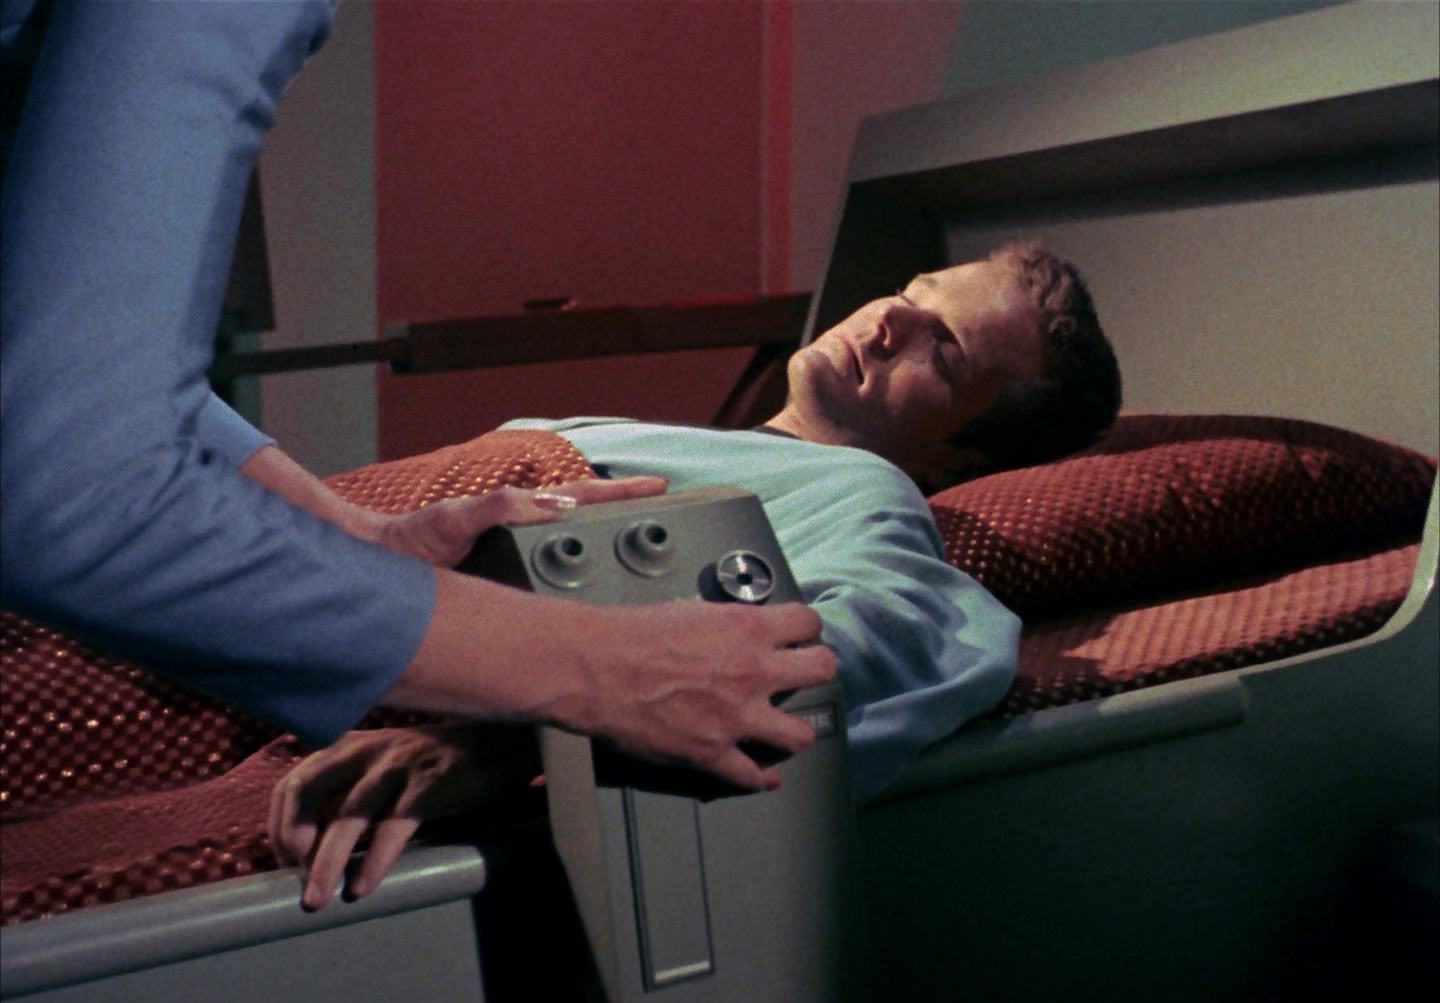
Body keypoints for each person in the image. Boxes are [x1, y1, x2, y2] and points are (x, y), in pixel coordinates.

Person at [0, 0, 834, 843]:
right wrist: (596, 670)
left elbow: (54, 368)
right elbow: (74, 479)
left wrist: (356, 537)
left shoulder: (863, 493)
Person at [270, 241, 1122, 908]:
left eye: (946, 352)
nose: (889, 320)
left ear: (960, 461)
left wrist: (513, 743)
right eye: (913, 292)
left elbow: (845, 645)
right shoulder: (682, 443)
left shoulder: (868, 494)